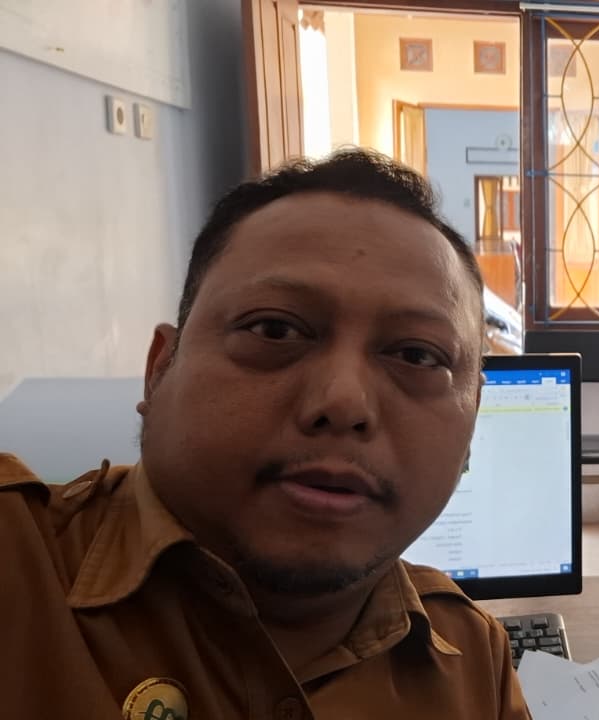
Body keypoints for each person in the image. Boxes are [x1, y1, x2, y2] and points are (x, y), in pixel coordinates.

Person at [0, 149, 532, 719]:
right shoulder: (18, 563)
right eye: (275, 329)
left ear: (472, 422)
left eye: (416, 355)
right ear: (159, 370)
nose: (344, 402)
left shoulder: (474, 659)